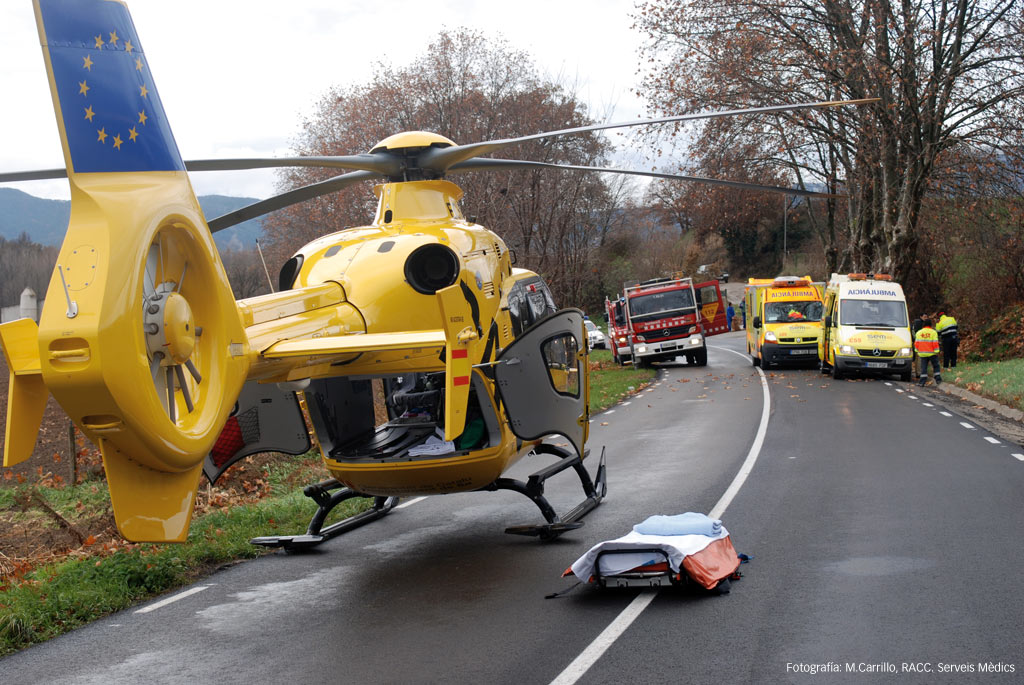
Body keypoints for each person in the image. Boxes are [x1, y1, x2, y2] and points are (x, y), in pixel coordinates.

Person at [914, 317, 941, 387]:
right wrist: (936, 351)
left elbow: (916, 343)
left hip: (922, 353)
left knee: (924, 368)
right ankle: (938, 379)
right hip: (932, 353)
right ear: (931, 325)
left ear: (923, 324)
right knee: (936, 365)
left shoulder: (919, 333)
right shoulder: (933, 332)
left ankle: (922, 382)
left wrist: (916, 350)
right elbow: (935, 343)